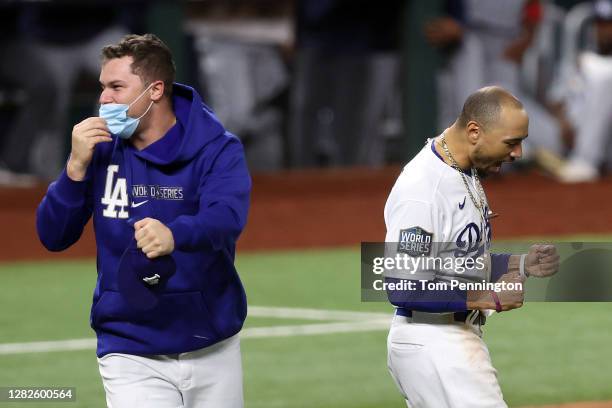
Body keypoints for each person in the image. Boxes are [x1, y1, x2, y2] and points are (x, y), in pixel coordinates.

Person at [36, 34, 250, 407]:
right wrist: (74, 169)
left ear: (154, 90)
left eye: (116, 87)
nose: (104, 99)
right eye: (103, 87)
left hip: (212, 343)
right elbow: (53, 236)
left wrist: (175, 233)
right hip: (128, 346)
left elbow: (226, 217)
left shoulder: (216, 147)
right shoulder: (98, 149)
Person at [383, 86, 560, 407]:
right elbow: (402, 287)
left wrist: (519, 264)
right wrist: (488, 297)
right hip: (436, 343)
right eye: (511, 142)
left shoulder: (460, 170)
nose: (518, 153)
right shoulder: (423, 189)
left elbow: (453, 262)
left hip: (446, 341)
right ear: (475, 132)